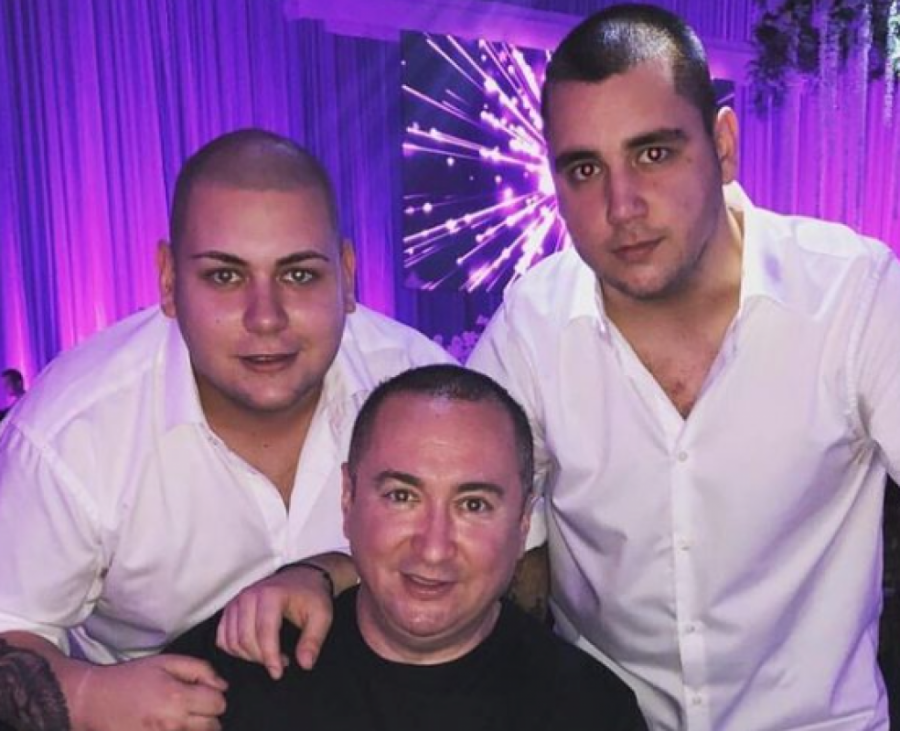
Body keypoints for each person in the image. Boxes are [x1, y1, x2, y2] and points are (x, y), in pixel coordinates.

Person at [465, 4, 900, 730]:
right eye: (585, 169)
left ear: (723, 147)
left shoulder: (851, 295)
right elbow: (445, 511)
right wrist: (326, 576)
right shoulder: (533, 326)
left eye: (654, 154)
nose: (622, 206)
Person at [0, 129, 452, 731]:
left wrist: (333, 570)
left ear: (347, 277)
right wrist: (88, 695)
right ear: (168, 281)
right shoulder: (69, 436)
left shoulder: (422, 392)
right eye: (224, 277)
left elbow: (501, 568)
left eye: (299, 275)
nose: (265, 318)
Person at [167, 364, 647, 731]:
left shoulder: (588, 710)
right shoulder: (236, 669)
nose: (433, 548)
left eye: (473, 505)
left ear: (523, 524)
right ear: (348, 498)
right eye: (402, 497)